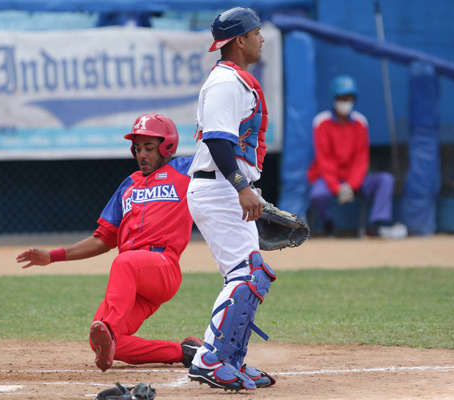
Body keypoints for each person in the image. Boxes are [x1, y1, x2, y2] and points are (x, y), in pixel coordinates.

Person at [16, 113, 202, 372]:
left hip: (162, 268)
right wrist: (53, 256)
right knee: (110, 344)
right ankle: (186, 352)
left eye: (149, 148)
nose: (142, 155)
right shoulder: (128, 185)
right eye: (137, 148)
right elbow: (102, 239)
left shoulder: (185, 170)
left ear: (167, 147)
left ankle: (110, 329)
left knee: (124, 265)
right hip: (134, 280)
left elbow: (216, 148)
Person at [186, 7, 276, 391]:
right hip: (219, 186)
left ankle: (230, 358)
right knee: (246, 274)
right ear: (239, 40)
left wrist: (245, 188)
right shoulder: (226, 82)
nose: (261, 39)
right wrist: (242, 187)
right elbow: (218, 141)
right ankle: (211, 358)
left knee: (249, 274)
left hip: (224, 186)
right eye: (256, 33)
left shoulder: (233, 80)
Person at [307, 75, 406, 238]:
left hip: (355, 180)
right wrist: (336, 187)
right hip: (328, 178)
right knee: (318, 194)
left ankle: (374, 226)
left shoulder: (361, 122)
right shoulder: (321, 122)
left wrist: (351, 185)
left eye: (349, 98)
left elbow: (361, 159)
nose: (345, 102)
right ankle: (328, 223)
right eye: (342, 98)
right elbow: (325, 159)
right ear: (334, 98)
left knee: (385, 180)